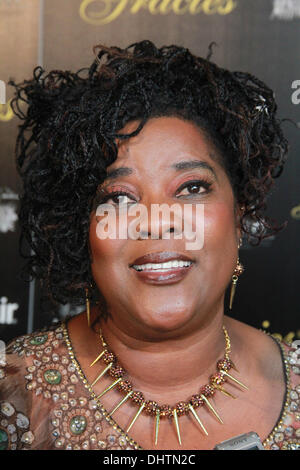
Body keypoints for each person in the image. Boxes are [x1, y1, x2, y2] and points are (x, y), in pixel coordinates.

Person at [0, 39, 299, 451]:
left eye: (192, 187)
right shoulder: (13, 396)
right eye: (118, 197)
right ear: (81, 230)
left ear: (238, 215)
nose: (157, 221)